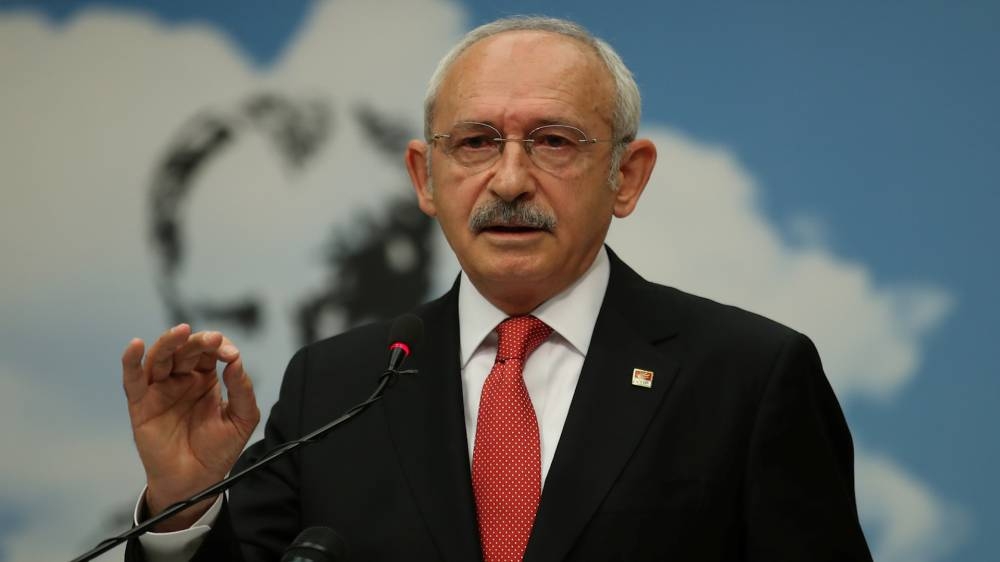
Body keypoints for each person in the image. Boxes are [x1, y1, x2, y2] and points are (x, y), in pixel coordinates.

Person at [122, 16, 873, 562]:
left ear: (627, 176)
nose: (510, 180)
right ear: (425, 177)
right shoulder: (336, 386)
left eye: (554, 142)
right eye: (476, 142)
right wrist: (182, 508)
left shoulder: (748, 377)